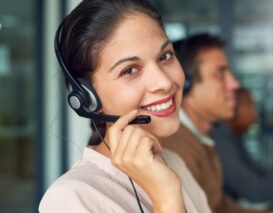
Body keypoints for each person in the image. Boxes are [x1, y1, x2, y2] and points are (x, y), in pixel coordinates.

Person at [39, 0, 211, 212]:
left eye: (165, 56)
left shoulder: (173, 163)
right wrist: (166, 197)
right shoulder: (70, 199)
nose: (165, 83)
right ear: (88, 97)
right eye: (130, 70)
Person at [161, 33, 273, 213]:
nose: (234, 84)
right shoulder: (175, 148)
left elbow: (220, 207)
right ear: (185, 83)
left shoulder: (200, 139)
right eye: (220, 73)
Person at [210, 88, 273, 203]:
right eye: (251, 106)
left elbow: (259, 173)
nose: (255, 115)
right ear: (233, 105)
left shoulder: (234, 136)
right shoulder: (219, 137)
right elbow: (250, 187)